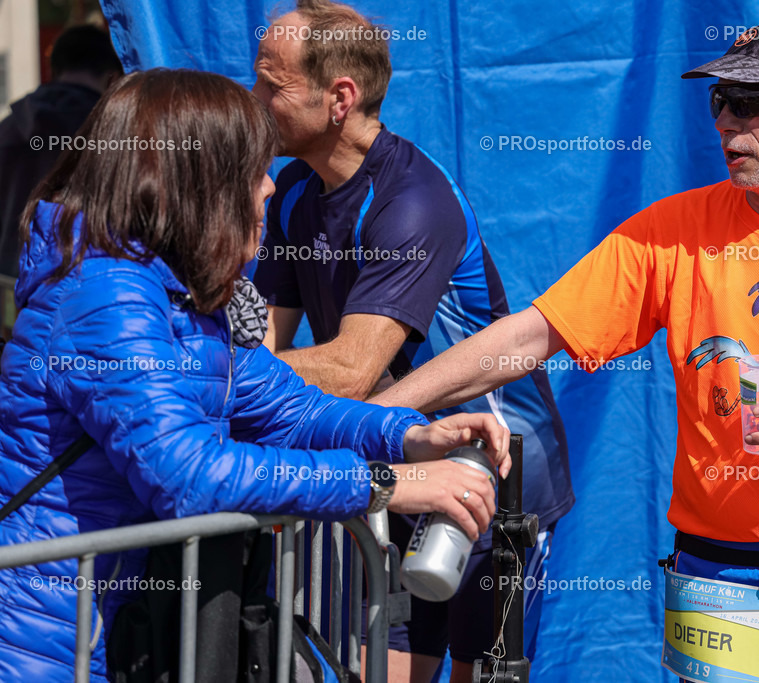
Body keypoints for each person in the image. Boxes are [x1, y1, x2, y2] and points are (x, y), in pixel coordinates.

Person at [372, 22, 759, 682]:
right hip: (717, 575)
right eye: (720, 100)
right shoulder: (674, 232)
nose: (729, 122)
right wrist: (374, 414)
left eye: (755, 103)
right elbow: (529, 336)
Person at [0, 68, 510, 682]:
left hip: (114, 624)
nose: (268, 186)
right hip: (48, 643)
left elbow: (290, 408)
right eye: (250, 170)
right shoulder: (105, 293)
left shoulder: (180, 292)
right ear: (196, 183)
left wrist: (410, 436)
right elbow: (188, 474)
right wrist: (382, 484)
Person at [250, 2, 573, 680]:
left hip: (493, 475)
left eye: (269, 85)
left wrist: (213, 379)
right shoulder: (288, 199)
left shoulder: (412, 199)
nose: (254, 103)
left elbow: (348, 371)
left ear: (340, 98)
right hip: (398, 459)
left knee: (474, 672)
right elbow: (260, 348)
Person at [0, 24, 122, 280]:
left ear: (53, 69)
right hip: (76, 284)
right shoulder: (108, 133)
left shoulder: (8, 128)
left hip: (8, 280)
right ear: (112, 77)